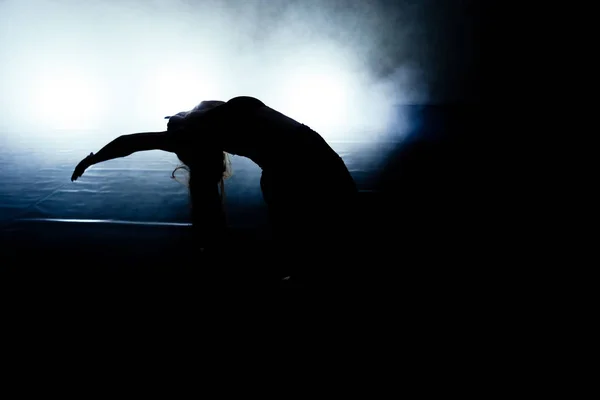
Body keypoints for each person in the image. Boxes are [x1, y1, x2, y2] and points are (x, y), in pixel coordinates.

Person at [71, 96, 358, 285]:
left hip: (301, 157)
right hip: (306, 152)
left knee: (324, 219)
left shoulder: (198, 125)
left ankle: (307, 265)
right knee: (324, 216)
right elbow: (132, 141)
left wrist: (94, 158)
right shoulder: (208, 116)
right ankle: (306, 264)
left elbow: (130, 141)